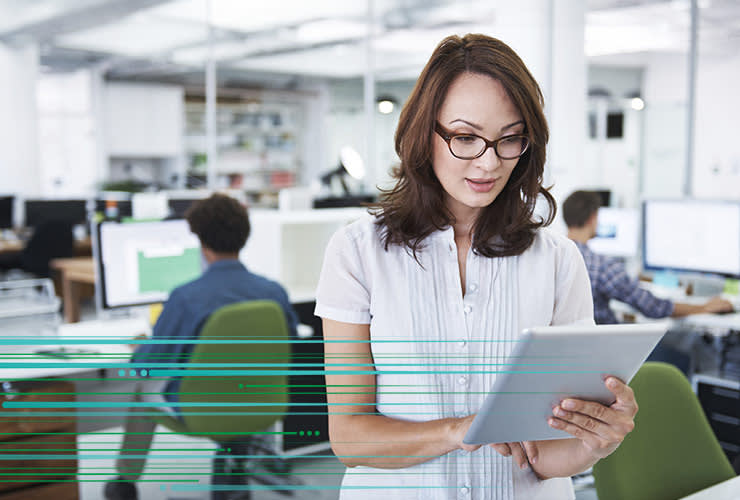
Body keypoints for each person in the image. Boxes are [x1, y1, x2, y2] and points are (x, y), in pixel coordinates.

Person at [315, 34, 639, 500]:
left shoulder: (556, 259)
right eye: (466, 137)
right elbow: (349, 437)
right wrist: (458, 431)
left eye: (509, 139)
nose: (489, 162)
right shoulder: (358, 251)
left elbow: (545, 456)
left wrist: (595, 441)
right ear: (424, 133)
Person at [104, 193, 298, 500]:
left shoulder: (187, 297)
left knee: (143, 391)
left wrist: (140, 348)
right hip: (260, 404)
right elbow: (289, 349)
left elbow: (149, 365)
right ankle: (233, 469)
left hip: (202, 409)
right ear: (243, 237)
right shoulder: (273, 292)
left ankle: (124, 482)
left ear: (200, 239)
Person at [562, 190, 733, 325]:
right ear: (593, 218)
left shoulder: (557, 258)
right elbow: (652, 307)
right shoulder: (602, 266)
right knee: (682, 355)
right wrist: (704, 307)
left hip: (573, 354)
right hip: (607, 354)